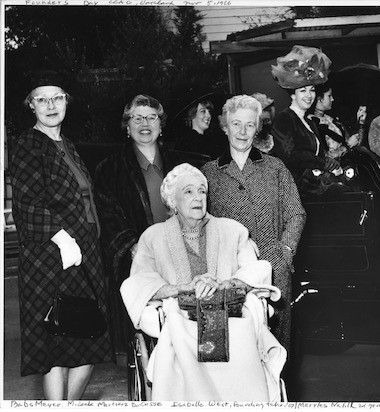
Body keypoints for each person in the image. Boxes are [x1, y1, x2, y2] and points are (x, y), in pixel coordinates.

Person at [120, 163, 285, 401]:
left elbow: (256, 268)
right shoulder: (153, 237)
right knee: (177, 328)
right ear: (172, 201)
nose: (198, 197)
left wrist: (224, 284)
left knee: (242, 330)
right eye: (188, 192)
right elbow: (138, 282)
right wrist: (184, 288)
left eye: (201, 191)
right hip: (181, 316)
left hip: (230, 316)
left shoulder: (233, 231)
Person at [9, 69, 113, 400]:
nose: (51, 104)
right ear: (31, 105)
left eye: (57, 97)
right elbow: (26, 203)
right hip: (51, 257)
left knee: (89, 338)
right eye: (42, 99)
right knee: (59, 341)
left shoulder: (66, 144)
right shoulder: (28, 144)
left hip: (86, 254)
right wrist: (62, 239)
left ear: (66, 101)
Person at [201, 94, 306, 357]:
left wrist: (285, 251)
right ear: (225, 126)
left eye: (250, 125)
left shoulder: (275, 168)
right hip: (227, 273)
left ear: (257, 128)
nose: (243, 131)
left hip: (273, 270)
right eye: (236, 124)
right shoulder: (208, 173)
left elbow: (297, 214)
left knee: (276, 349)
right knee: (235, 348)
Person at [93, 94, 181, 354]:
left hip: (180, 254)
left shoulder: (179, 163)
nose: (145, 123)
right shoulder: (109, 169)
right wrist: (134, 248)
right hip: (140, 260)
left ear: (161, 124)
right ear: (127, 126)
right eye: (137, 118)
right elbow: (108, 215)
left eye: (152, 117)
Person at [269, 45, 346, 198]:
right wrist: (323, 163)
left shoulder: (309, 122)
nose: (309, 95)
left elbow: (318, 154)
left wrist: (329, 162)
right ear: (292, 94)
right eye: (302, 91)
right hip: (296, 191)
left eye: (311, 90)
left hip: (315, 185)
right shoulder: (284, 119)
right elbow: (290, 157)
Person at [308, 81, 366, 158]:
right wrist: (347, 146)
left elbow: (355, 143)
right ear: (319, 99)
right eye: (329, 96)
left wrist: (361, 123)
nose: (332, 99)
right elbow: (323, 158)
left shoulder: (331, 119)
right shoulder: (311, 123)